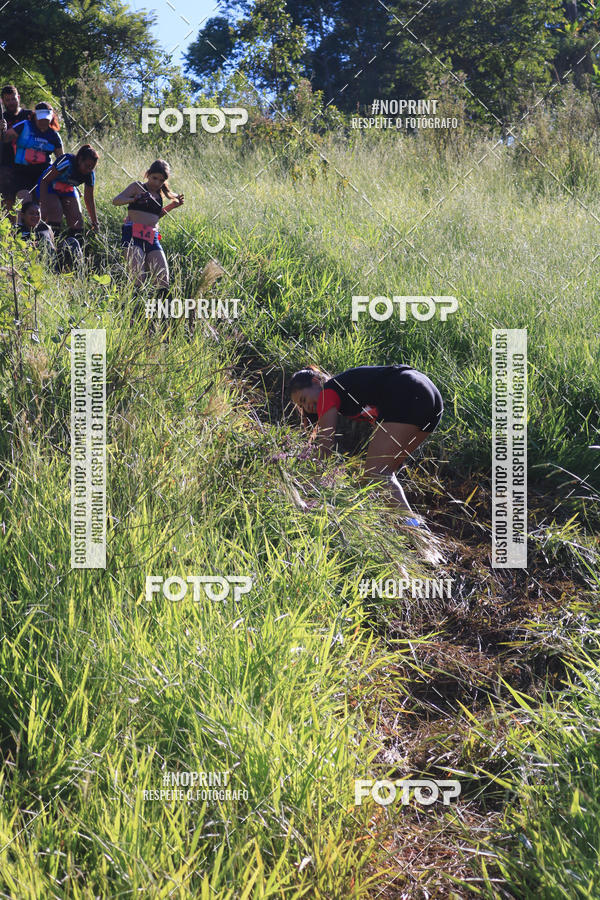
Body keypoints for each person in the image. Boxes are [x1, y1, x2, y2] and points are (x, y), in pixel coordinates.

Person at [289, 364, 443, 526]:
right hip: (430, 397)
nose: (306, 407)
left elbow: (325, 449)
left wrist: (307, 488)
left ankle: (415, 531)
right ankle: (410, 530)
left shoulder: (328, 392)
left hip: (409, 390)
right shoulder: (350, 390)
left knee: (377, 474)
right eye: (301, 406)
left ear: (315, 381)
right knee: (381, 475)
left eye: (304, 399)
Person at [111, 159, 184, 293]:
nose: (157, 183)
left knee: (163, 280)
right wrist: (134, 199)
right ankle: (134, 310)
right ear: (148, 174)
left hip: (152, 237)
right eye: (154, 178)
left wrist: (173, 205)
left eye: (161, 180)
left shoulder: (160, 195)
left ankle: (161, 312)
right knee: (138, 278)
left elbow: (155, 216)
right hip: (132, 234)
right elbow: (116, 201)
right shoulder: (137, 187)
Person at [2, 102, 63, 214]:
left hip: (43, 176)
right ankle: (21, 228)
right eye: (41, 119)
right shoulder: (24, 126)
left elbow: (61, 160)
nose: (43, 122)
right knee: (26, 201)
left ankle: (42, 229)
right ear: (35, 116)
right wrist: (2, 129)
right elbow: (4, 138)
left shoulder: (54, 136)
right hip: (21, 173)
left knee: (42, 205)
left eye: (46, 119)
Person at [37, 144, 99, 240]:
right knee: (56, 212)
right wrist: (43, 205)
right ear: (80, 159)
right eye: (87, 166)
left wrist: (95, 223)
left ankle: (72, 249)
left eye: (92, 167)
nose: (88, 170)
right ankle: (50, 246)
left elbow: (89, 199)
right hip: (49, 184)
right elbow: (45, 180)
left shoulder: (89, 174)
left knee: (77, 221)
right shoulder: (66, 161)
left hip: (67, 189)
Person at [0, 85, 32, 214]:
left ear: (18, 98)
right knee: (8, 200)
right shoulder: (2, 118)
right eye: (7, 100)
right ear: (3, 101)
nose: (11, 103)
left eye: (13, 99)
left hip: (27, 164)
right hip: (6, 165)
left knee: (28, 199)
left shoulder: (29, 115)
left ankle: (30, 229)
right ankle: (10, 230)